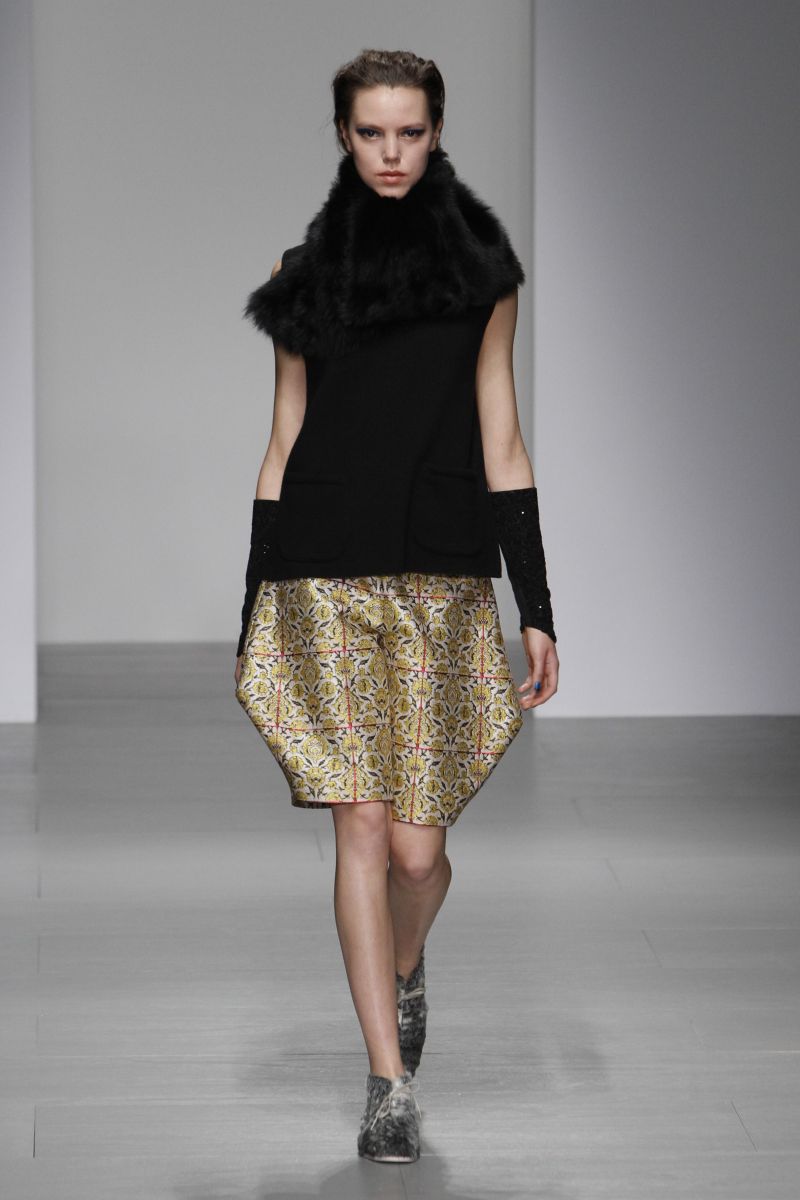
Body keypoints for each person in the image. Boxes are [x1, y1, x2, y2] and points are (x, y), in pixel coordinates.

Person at [233, 48, 559, 1165]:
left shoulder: (484, 280)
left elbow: (502, 437)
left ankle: (406, 964)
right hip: (321, 573)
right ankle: (386, 1082)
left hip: (440, 574)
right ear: (343, 135)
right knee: (360, 827)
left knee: (418, 856)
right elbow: (284, 440)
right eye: (370, 132)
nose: (389, 153)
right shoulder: (301, 275)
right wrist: (255, 596)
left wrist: (537, 602)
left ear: (436, 132)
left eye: (408, 132)